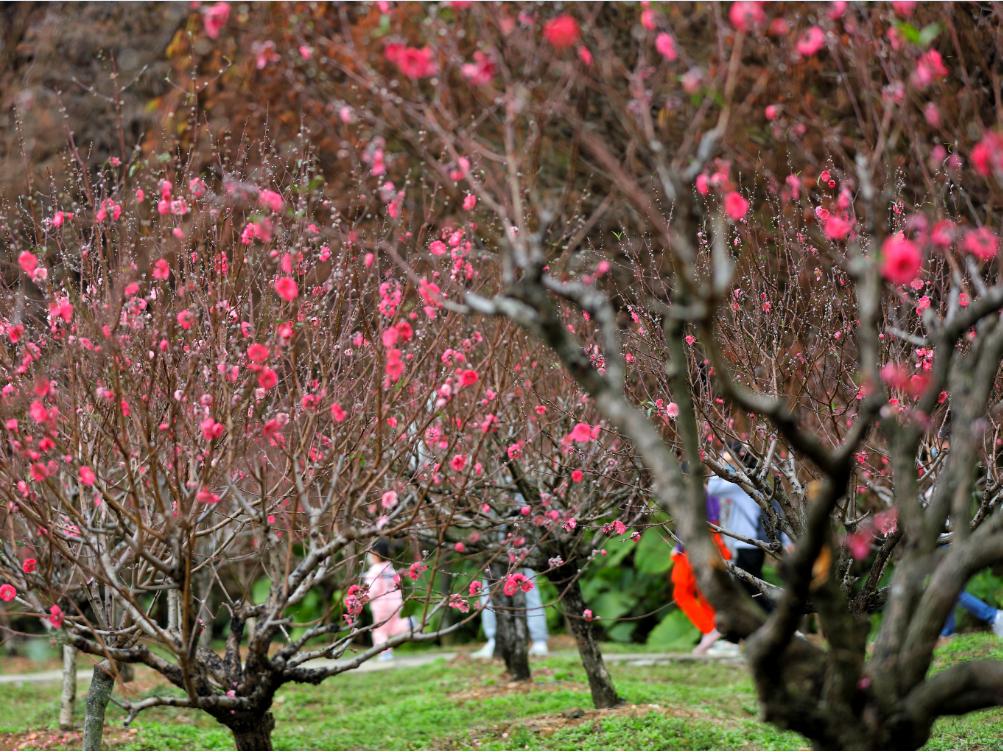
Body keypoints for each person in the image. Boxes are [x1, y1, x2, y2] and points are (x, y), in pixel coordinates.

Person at [670, 494, 739, 656]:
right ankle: (712, 633)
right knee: (705, 592)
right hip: (711, 541)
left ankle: (710, 630)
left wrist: (679, 547)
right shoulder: (708, 492)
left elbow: (691, 521)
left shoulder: (693, 491)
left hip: (697, 544)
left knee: (681, 591)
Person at [471, 568, 549, 658]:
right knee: (489, 595)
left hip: (520, 558)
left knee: (529, 594)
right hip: (495, 560)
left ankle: (539, 642)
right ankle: (494, 640)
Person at [364, 539, 413, 660]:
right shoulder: (390, 568)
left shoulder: (375, 570)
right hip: (395, 604)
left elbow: (372, 589)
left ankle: (385, 653)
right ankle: (409, 623)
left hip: (381, 607)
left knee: (379, 631)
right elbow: (397, 584)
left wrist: (364, 597)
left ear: (376, 554)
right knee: (392, 627)